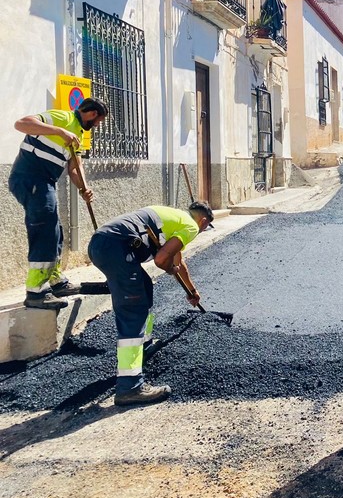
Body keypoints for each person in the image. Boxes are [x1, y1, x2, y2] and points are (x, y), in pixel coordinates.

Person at [88, 202, 213, 406]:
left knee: (144, 288)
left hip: (102, 244)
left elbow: (178, 261)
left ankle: (145, 344)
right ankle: (130, 387)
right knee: (133, 311)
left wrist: (191, 290)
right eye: (205, 227)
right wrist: (169, 269)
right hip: (115, 248)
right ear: (204, 221)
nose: (202, 231)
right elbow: (162, 260)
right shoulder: (191, 226)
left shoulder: (175, 218)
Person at [8, 98, 108, 310]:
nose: (97, 125)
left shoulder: (79, 133)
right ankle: (36, 292)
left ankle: (56, 282)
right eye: (98, 121)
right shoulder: (62, 117)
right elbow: (21, 124)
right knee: (44, 229)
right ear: (92, 114)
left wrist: (84, 189)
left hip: (45, 181)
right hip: (29, 178)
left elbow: (75, 167)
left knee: (55, 231)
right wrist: (60, 132)